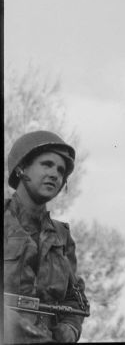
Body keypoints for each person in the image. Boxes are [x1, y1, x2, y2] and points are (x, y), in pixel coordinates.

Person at [4, 131, 89, 344]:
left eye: (61, 171)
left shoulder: (62, 237)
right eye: (46, 164)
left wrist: (70, 328)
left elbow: (76, 301)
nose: (55, 174)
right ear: (22, 168)